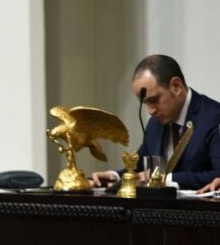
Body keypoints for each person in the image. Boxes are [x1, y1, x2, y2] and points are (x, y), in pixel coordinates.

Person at [90, 54, 220, 190]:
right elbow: (140, 166)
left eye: (154, 100)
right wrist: (115, 176)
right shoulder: (155, 123)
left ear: (176, 86)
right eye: (144, 103)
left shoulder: (213, 117)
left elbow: (218, 174)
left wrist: (164, 179)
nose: (150, 111)